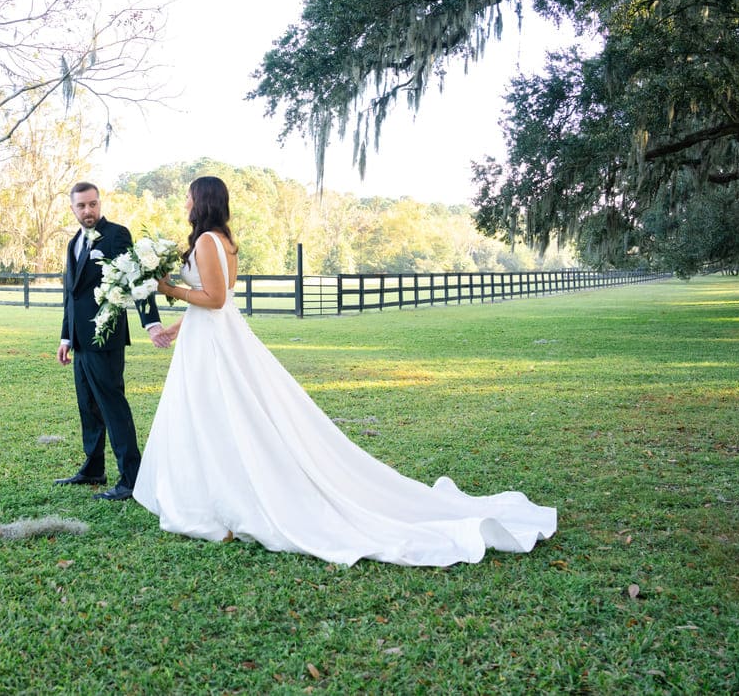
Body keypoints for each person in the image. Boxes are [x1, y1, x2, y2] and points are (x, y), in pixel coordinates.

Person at [133, 176, 557, 566]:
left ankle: (227, 503)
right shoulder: (224, 241)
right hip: (209, 338)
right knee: (214, 418)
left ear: (202, 200)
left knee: (220, 418)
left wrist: (167, 288)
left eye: (189, 195)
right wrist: (175, 325)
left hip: (214, 347)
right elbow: (212, 303)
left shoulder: (207, 241)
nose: (185, 201)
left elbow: (217, 300)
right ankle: (212, 495)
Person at [56, 181, 167, 502]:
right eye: (81, 206)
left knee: (112, 407)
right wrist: (66, 336)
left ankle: (131, 478)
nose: (88, 211)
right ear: (73, 208)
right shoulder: (74, 242)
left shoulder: (117, 235)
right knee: (88, 407)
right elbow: (71, 295)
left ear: (99, 203)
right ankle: (93, 468)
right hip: (79, 340)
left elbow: (138, 279)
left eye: (92, 204)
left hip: (106, 338)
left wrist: (152, 323)